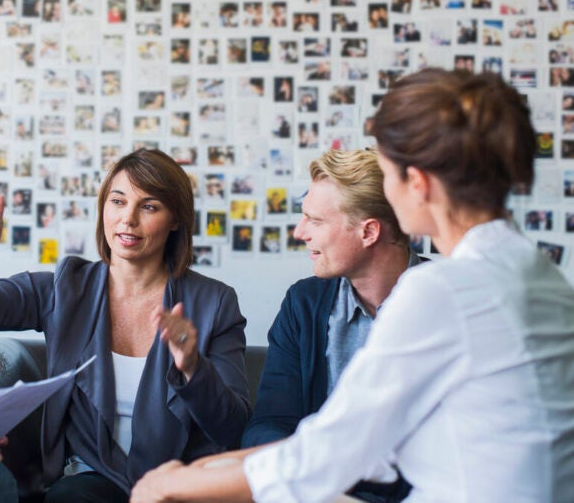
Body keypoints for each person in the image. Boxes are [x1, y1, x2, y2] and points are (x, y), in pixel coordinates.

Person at [132, 69, 574, 502]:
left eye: (388, 170)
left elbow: (329, 456)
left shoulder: (443, 291)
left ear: (416, 182)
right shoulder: (539, 277)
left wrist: (172, 484)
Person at [0, 148, 249, 503]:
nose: (127, 219)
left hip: (180, 482)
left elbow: (233, 428)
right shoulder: (63, 288)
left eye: (149, 206)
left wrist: (193, 366)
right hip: (91, 479)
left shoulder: (215, 303)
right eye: (118, 201)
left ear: (175, 220)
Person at [242, 149, 415, 503]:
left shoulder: (445, 304)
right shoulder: (303, 304)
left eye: (315, 221)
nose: (299, 231)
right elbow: (268, 424)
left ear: (368, 232)